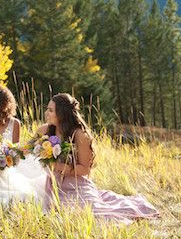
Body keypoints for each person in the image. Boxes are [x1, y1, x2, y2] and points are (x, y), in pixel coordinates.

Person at [37, 93, 159, 223]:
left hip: (77, 185)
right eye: (47, 109)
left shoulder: (80, 135)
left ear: (61, 113)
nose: (46, 113)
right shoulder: (45, 130)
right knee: (53, 210)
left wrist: (58, 166)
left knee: (91, 213)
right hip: (54, 185)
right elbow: (27, 149)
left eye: (50, 110)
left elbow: (85, 169)